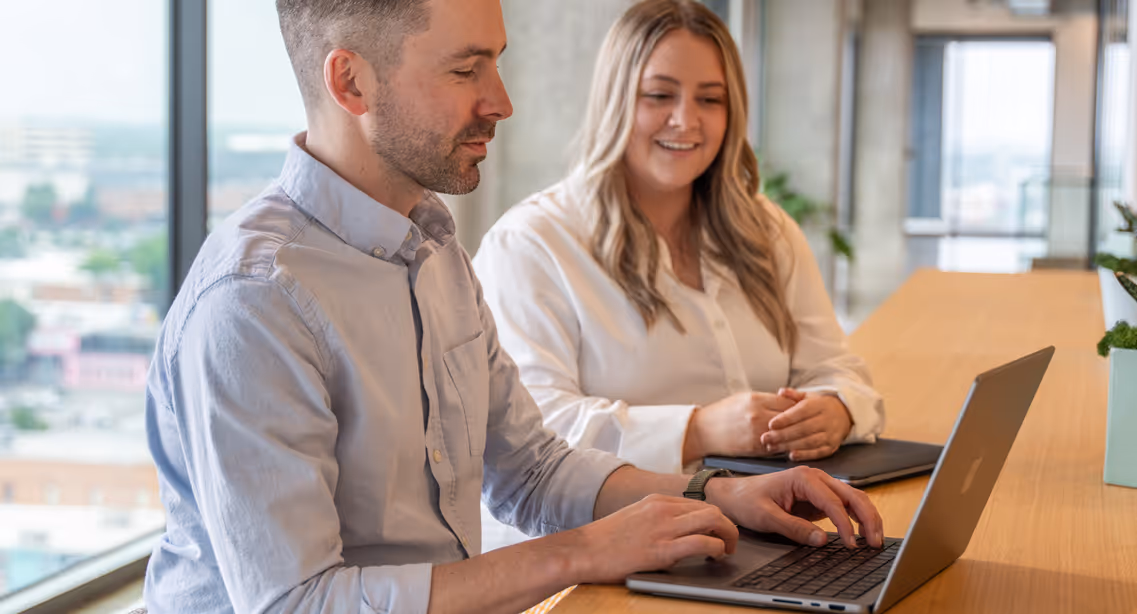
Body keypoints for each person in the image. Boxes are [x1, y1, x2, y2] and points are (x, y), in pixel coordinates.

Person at [141, 0, 884, 612]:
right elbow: (295, 603)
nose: (501, 101)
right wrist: (581, 551)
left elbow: (529, 470)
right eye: (467, 69)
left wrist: (722, 494)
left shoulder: (432, 250)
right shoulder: (254, 302)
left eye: (495, 61)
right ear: (352, 83)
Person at [472, 0, 885, 477]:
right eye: (659, 96)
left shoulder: (767, 230)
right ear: (616, 100)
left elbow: (838, 368)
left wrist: (836, 409)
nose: (686, 120)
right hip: (621, 537)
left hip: (773, 517)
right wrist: (699, 430)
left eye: (710, 99)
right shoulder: (531, 244)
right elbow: (531, 430)